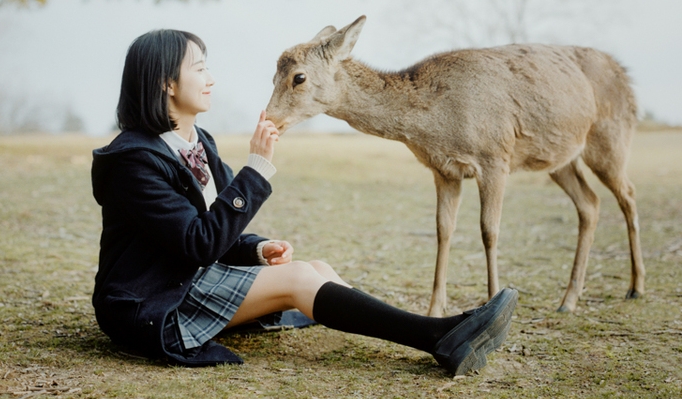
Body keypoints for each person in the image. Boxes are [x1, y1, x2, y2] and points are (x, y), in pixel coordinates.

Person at [91, 29, 517, 375]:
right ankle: (439, 336)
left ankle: (436, 330)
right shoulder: (135, 162)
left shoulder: (199, 142)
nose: (210, 79)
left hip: (186, 280)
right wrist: (255, 169)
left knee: (317, 271)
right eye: (199, 68)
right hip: (151, 306)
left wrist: (257, 248)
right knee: (299, 279)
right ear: (167, 83)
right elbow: (199, 243)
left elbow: (211, 231)